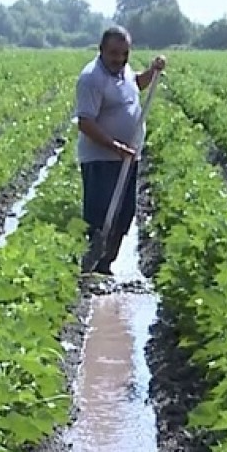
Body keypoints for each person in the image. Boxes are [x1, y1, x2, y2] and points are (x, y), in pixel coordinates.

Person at [74, 25, 166, 275]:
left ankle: (106, 265)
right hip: (101, 158)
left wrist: (152, 72)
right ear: (101, 50)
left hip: (127, 157)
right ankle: (89, 268)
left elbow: (135, 85)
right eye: (114, 53)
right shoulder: (91, 78)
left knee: (125, 213)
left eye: (124, 53)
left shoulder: (123, 70)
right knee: (100, 216)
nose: (119, 58)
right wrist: (115, 146)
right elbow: (85, 122)